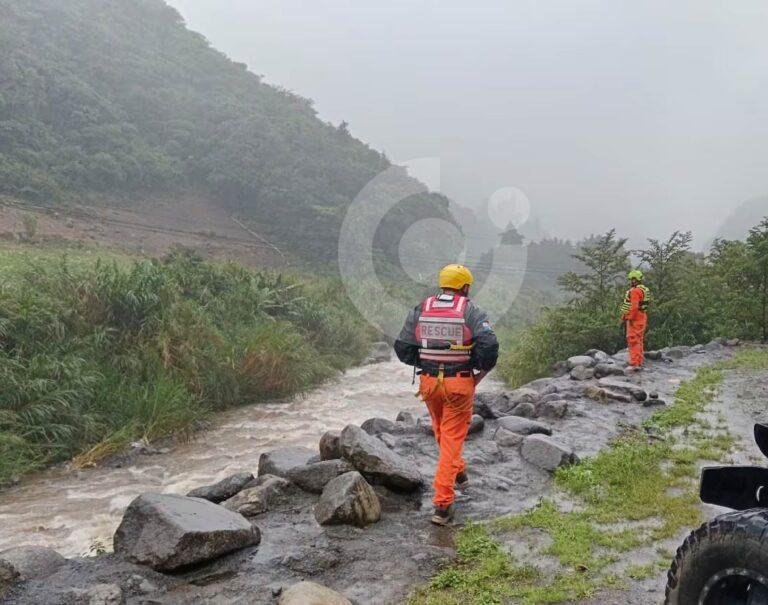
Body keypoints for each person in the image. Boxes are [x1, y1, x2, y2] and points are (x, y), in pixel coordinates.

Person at [394, 264, 499, 525]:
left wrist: (425, 361)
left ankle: (459, 472)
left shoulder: (422, 307)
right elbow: (489, 346)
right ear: (465, 287)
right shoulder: (470, 310)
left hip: (429, 383)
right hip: (459, 383)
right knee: (451, 438)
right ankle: (442, 505)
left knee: (441, 429)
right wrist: (479, 374)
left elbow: (403, 347)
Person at [621, 269, 650, 371]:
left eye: (631, 279)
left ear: (635, 279)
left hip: (635, 318)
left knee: (633, 340)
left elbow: (634, 307)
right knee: (639, 340)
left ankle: (634, 364)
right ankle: (639, 361)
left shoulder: (635, 291)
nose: (630, 281)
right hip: (642, 316)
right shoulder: (643, 290)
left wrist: (628, 318)